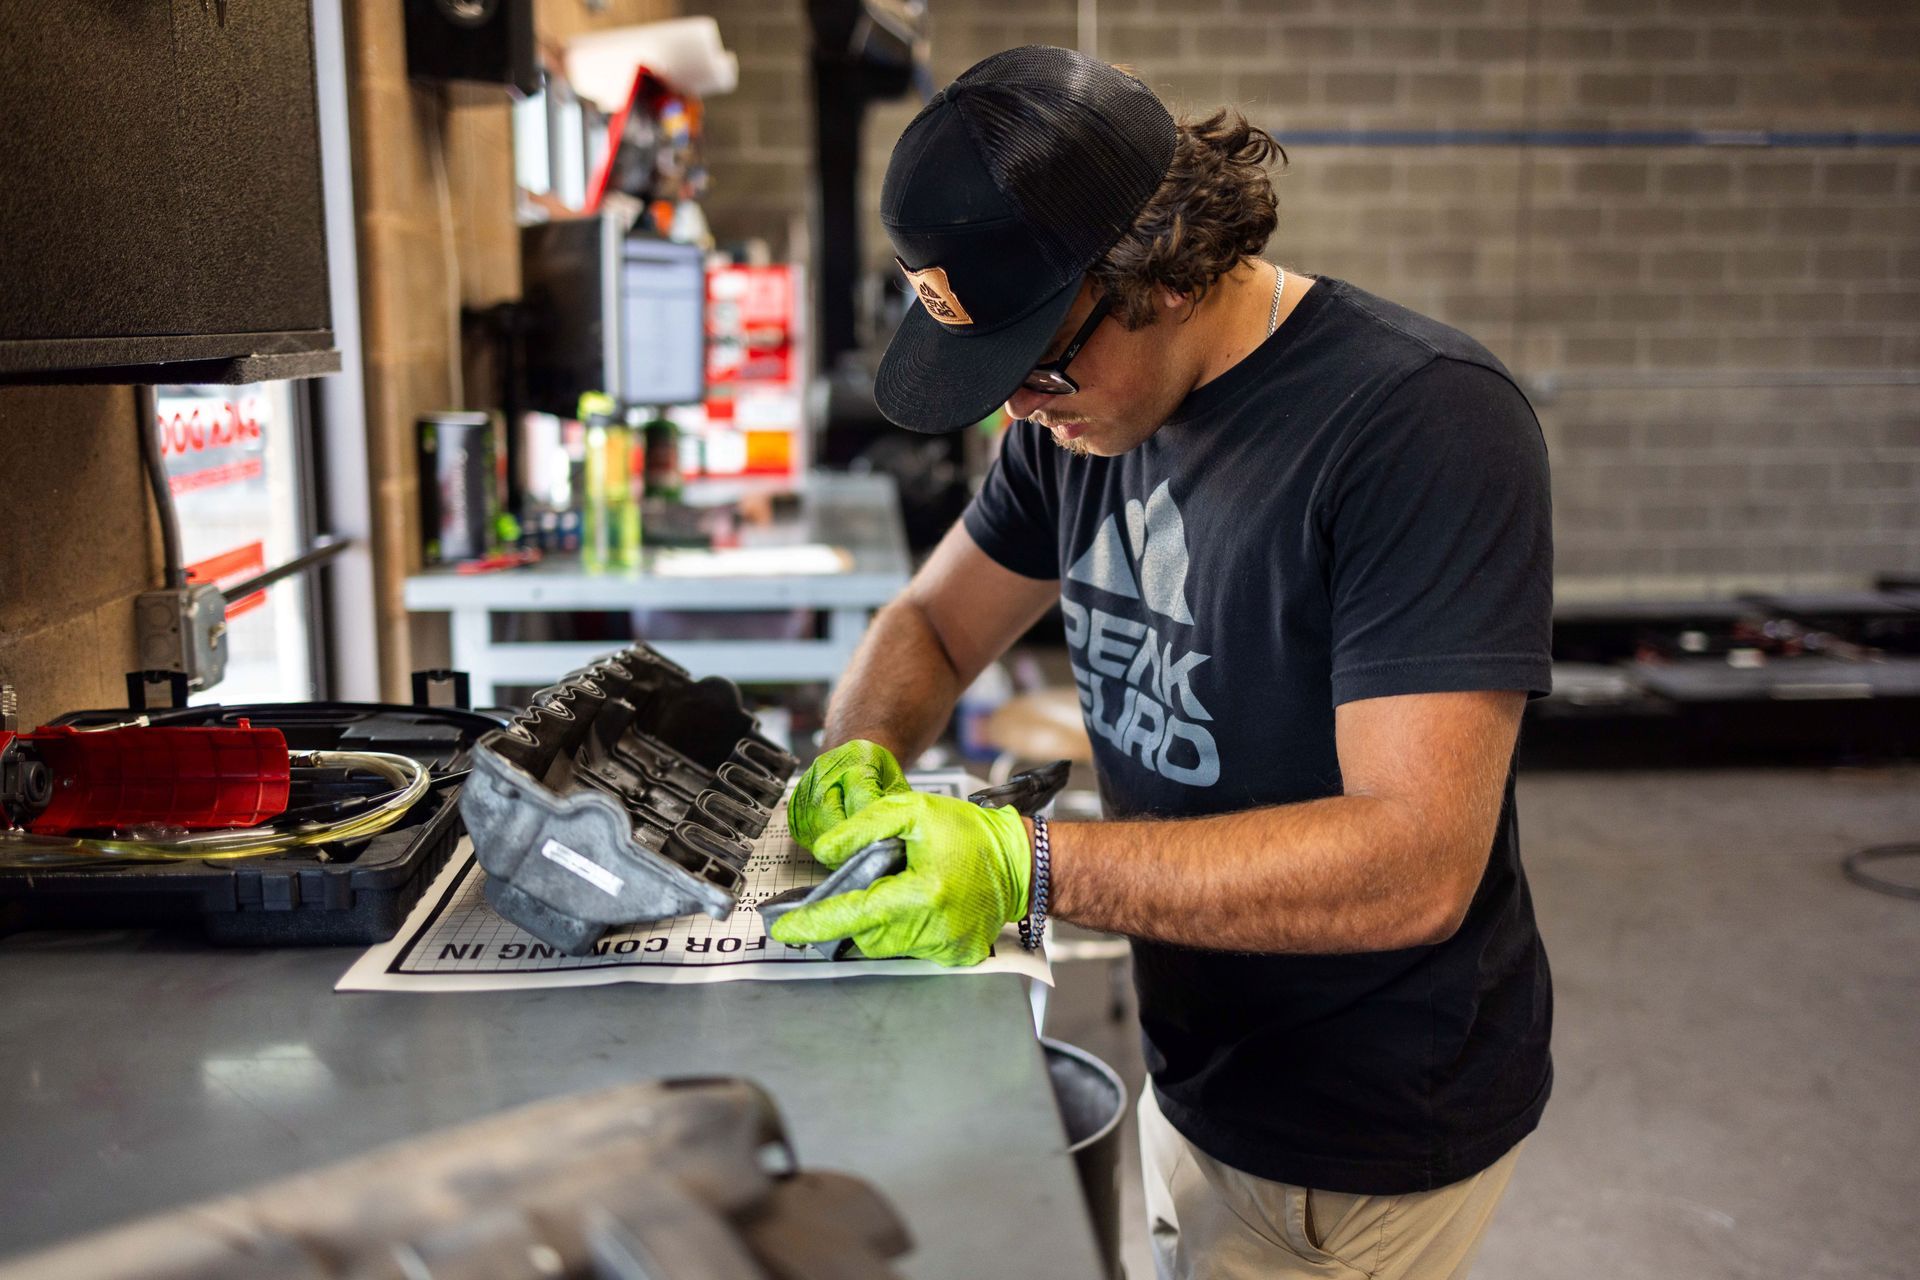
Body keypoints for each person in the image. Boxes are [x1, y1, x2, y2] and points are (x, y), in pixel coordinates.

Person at [769, 45, 1554, 1280]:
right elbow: (934, 622)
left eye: (1038, 365)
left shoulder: (1421, 424)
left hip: (1355, 1133)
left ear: (1170, 272)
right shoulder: (1079, 418)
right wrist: (859, 751)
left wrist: (1022, 862)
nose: (1019, 410)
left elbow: (1414, 865)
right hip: (1196, 1065)